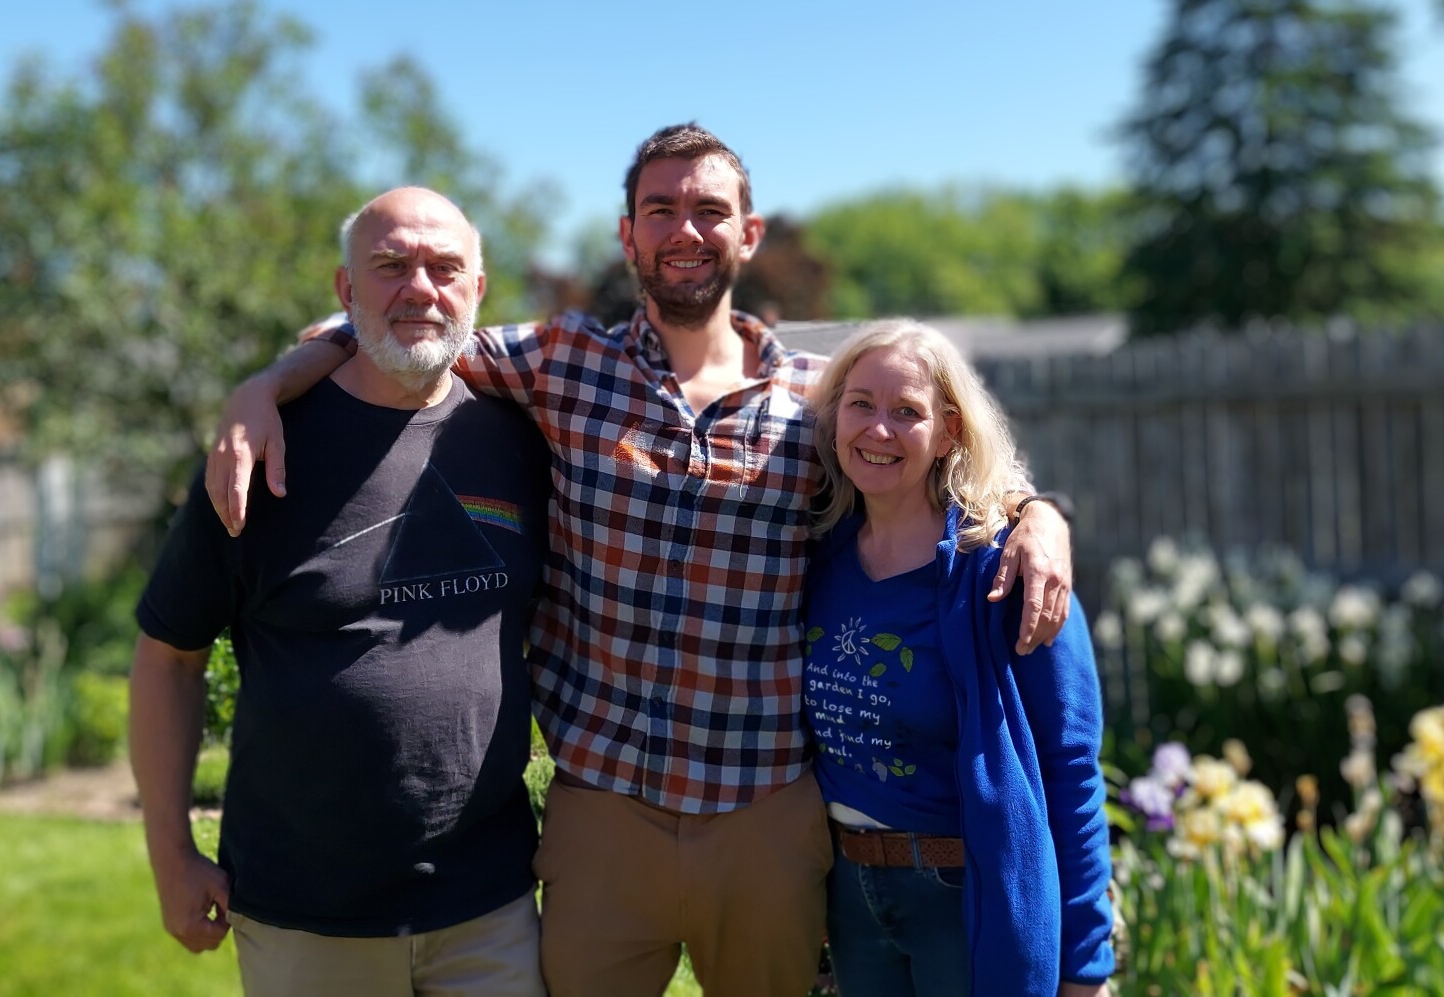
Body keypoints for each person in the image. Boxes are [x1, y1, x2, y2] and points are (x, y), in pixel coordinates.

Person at [203, 124, 1076, 997]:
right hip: (604, 817)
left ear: (749, 234)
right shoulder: (562, 363)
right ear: (629, 236)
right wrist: (265, 385)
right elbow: (396, 323)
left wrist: (1038, 514)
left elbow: (941, 462)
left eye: (709, 210)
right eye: (660, 210)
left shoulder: (818, 399)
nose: (684, 230)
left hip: (763, 815)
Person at [128, 187, 550, 997]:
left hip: (489, 904)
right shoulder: (259, 450)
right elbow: (168, 660)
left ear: (478, 289)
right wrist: (171, 855)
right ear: (345, 289)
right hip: (305, 915)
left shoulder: (520, 439)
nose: (420, 288)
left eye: (444, 267)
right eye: (390, 266)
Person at [804, 319, 1113, 997]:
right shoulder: (817, 554)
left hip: (965, 899)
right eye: (860, 404)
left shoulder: (1007, 572)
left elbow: (1070, 769)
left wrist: (1085, 965)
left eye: (906, 411)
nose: (877, 429)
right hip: (847, 902)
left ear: (948, 432)